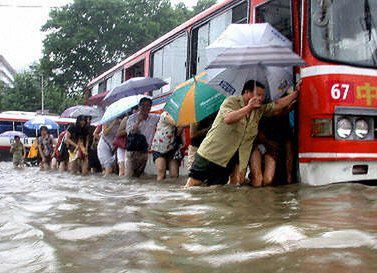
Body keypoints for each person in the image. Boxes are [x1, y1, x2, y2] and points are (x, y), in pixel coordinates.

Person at [185, 80, 298, 187]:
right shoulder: (231, 101)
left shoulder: (258, 110)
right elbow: (228, 118)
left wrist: (296, 93)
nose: (261, 98)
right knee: (192, 186)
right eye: (258, 94)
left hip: (229, 159)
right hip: (211, 154)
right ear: (246, 92)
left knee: (217, 190)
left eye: (262, 95)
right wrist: (248, 107)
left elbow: (277, 105)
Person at [249, 114, 293, 187]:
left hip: (271, 148)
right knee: (257, 179)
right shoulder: (261, 114)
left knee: (268, 180)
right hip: (257, 145)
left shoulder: (284, 122)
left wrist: (289, 175)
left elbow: (289, 152)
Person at [125, 97, 159, 178]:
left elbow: (164, 119)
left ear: (150, 107)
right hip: (132, 151)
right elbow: (130, 132)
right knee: (129, 176)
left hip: (144, 151)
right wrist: (138, 121)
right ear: (139, 107)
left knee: (139, 176)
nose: (145, 108)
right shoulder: (132, 118)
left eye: (148, 106)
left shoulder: (154, 118)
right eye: (143, 105)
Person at [151, 111, 185, 181]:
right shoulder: (165, 114)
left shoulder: (180, 117)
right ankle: (159, 191)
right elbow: (176, 123)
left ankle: (172, 191)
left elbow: (180, 132)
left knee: (174, 175)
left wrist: (183, 142)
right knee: (161, 173)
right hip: (159, 147)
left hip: (173, 148)